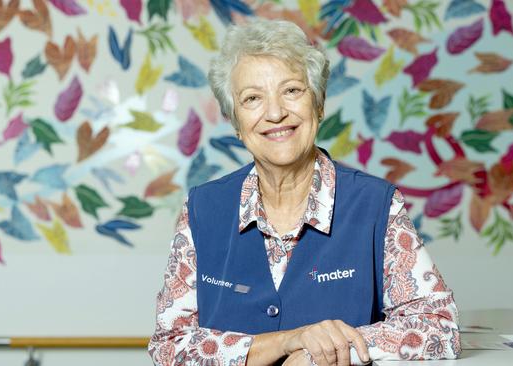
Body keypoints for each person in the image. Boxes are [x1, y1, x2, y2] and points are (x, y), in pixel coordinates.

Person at [148, 19, 460, 366]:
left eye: (292, 91)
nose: (276, 113)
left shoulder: (376, 205)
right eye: (253, 98)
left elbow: (438, 329)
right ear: (235, 123)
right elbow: (170, 345)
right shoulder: (202, 208)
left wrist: (317, 353)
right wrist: (288, 341)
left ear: (319, 104)